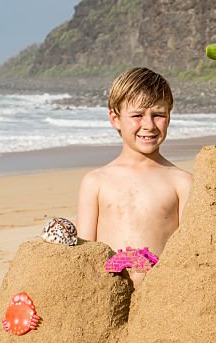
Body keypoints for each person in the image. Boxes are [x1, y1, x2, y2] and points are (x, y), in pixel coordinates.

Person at [76, 67, 192, 287]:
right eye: (137, 115)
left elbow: (189, 251)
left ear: (169, 117)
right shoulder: (96, 182)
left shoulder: (182, 182)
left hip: (160, 296)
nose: (148, 125)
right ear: (115, 118)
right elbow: (85, 254)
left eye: (158, 115)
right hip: (109, 294)